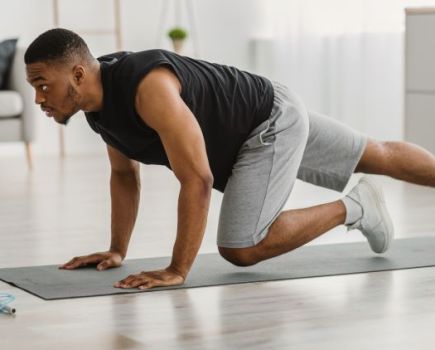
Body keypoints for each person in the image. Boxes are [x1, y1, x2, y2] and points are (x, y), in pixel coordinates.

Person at [24, 28, 435, 291]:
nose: (39, 98)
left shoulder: (146, 88)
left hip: (269, 119)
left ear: (78, 74)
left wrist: (177, 269)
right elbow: (123, 175)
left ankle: (356, 206)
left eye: (43, 85)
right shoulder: (99, 109)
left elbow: (197, 179)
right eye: (34, 88)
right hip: (265, 110)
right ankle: (362, 204)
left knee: (241, 246)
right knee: (375, 153)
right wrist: (116, 250)